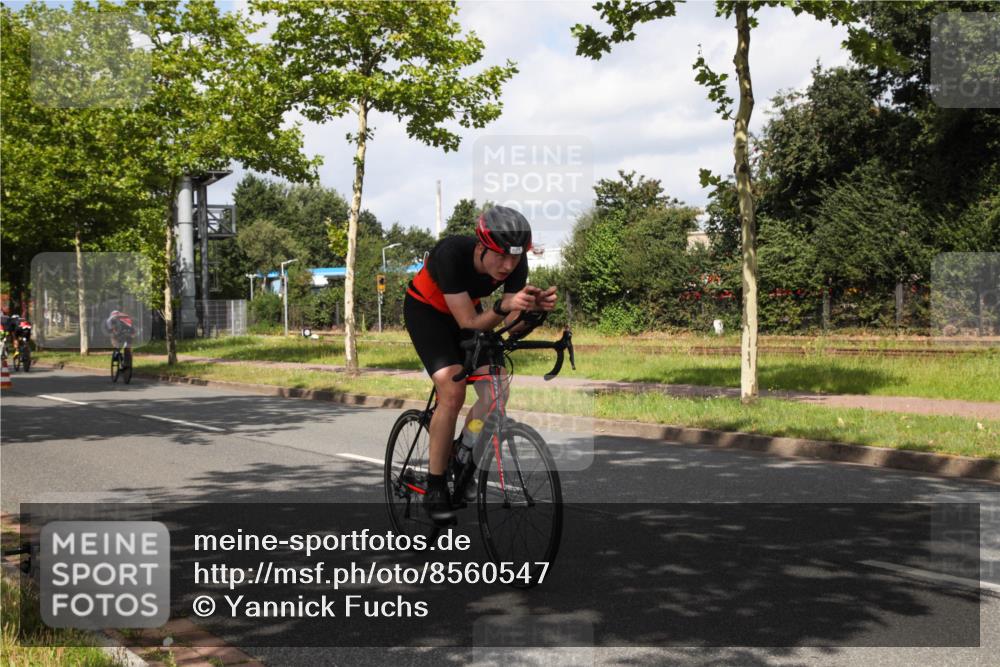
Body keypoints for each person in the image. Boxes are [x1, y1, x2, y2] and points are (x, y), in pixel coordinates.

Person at [404, 205, 557, 522]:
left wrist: (534, 313)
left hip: (468, 314)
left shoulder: (515, 263)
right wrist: (503, 306)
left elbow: (512, 324)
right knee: (452, 390)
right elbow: (471, 322)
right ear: (481, 246)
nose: (507, 265)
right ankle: (434, 487)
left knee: (496, 389)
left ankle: (464, 451)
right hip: (426, 312)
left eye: (514, 258)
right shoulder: (450, 254)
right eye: (500, 256)